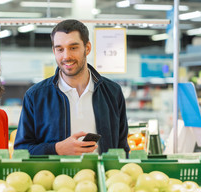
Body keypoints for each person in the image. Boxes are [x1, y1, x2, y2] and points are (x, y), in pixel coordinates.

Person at [14, 19, 129, 155]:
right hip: (56, 176)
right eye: (60, 49)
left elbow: (122, 148)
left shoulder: (112, 92)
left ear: (87, 48)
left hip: (104, 175)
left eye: (73, 48)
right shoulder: (36, 96)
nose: (66, 56)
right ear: (54, 51)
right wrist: (56, 149)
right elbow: (21, 150)